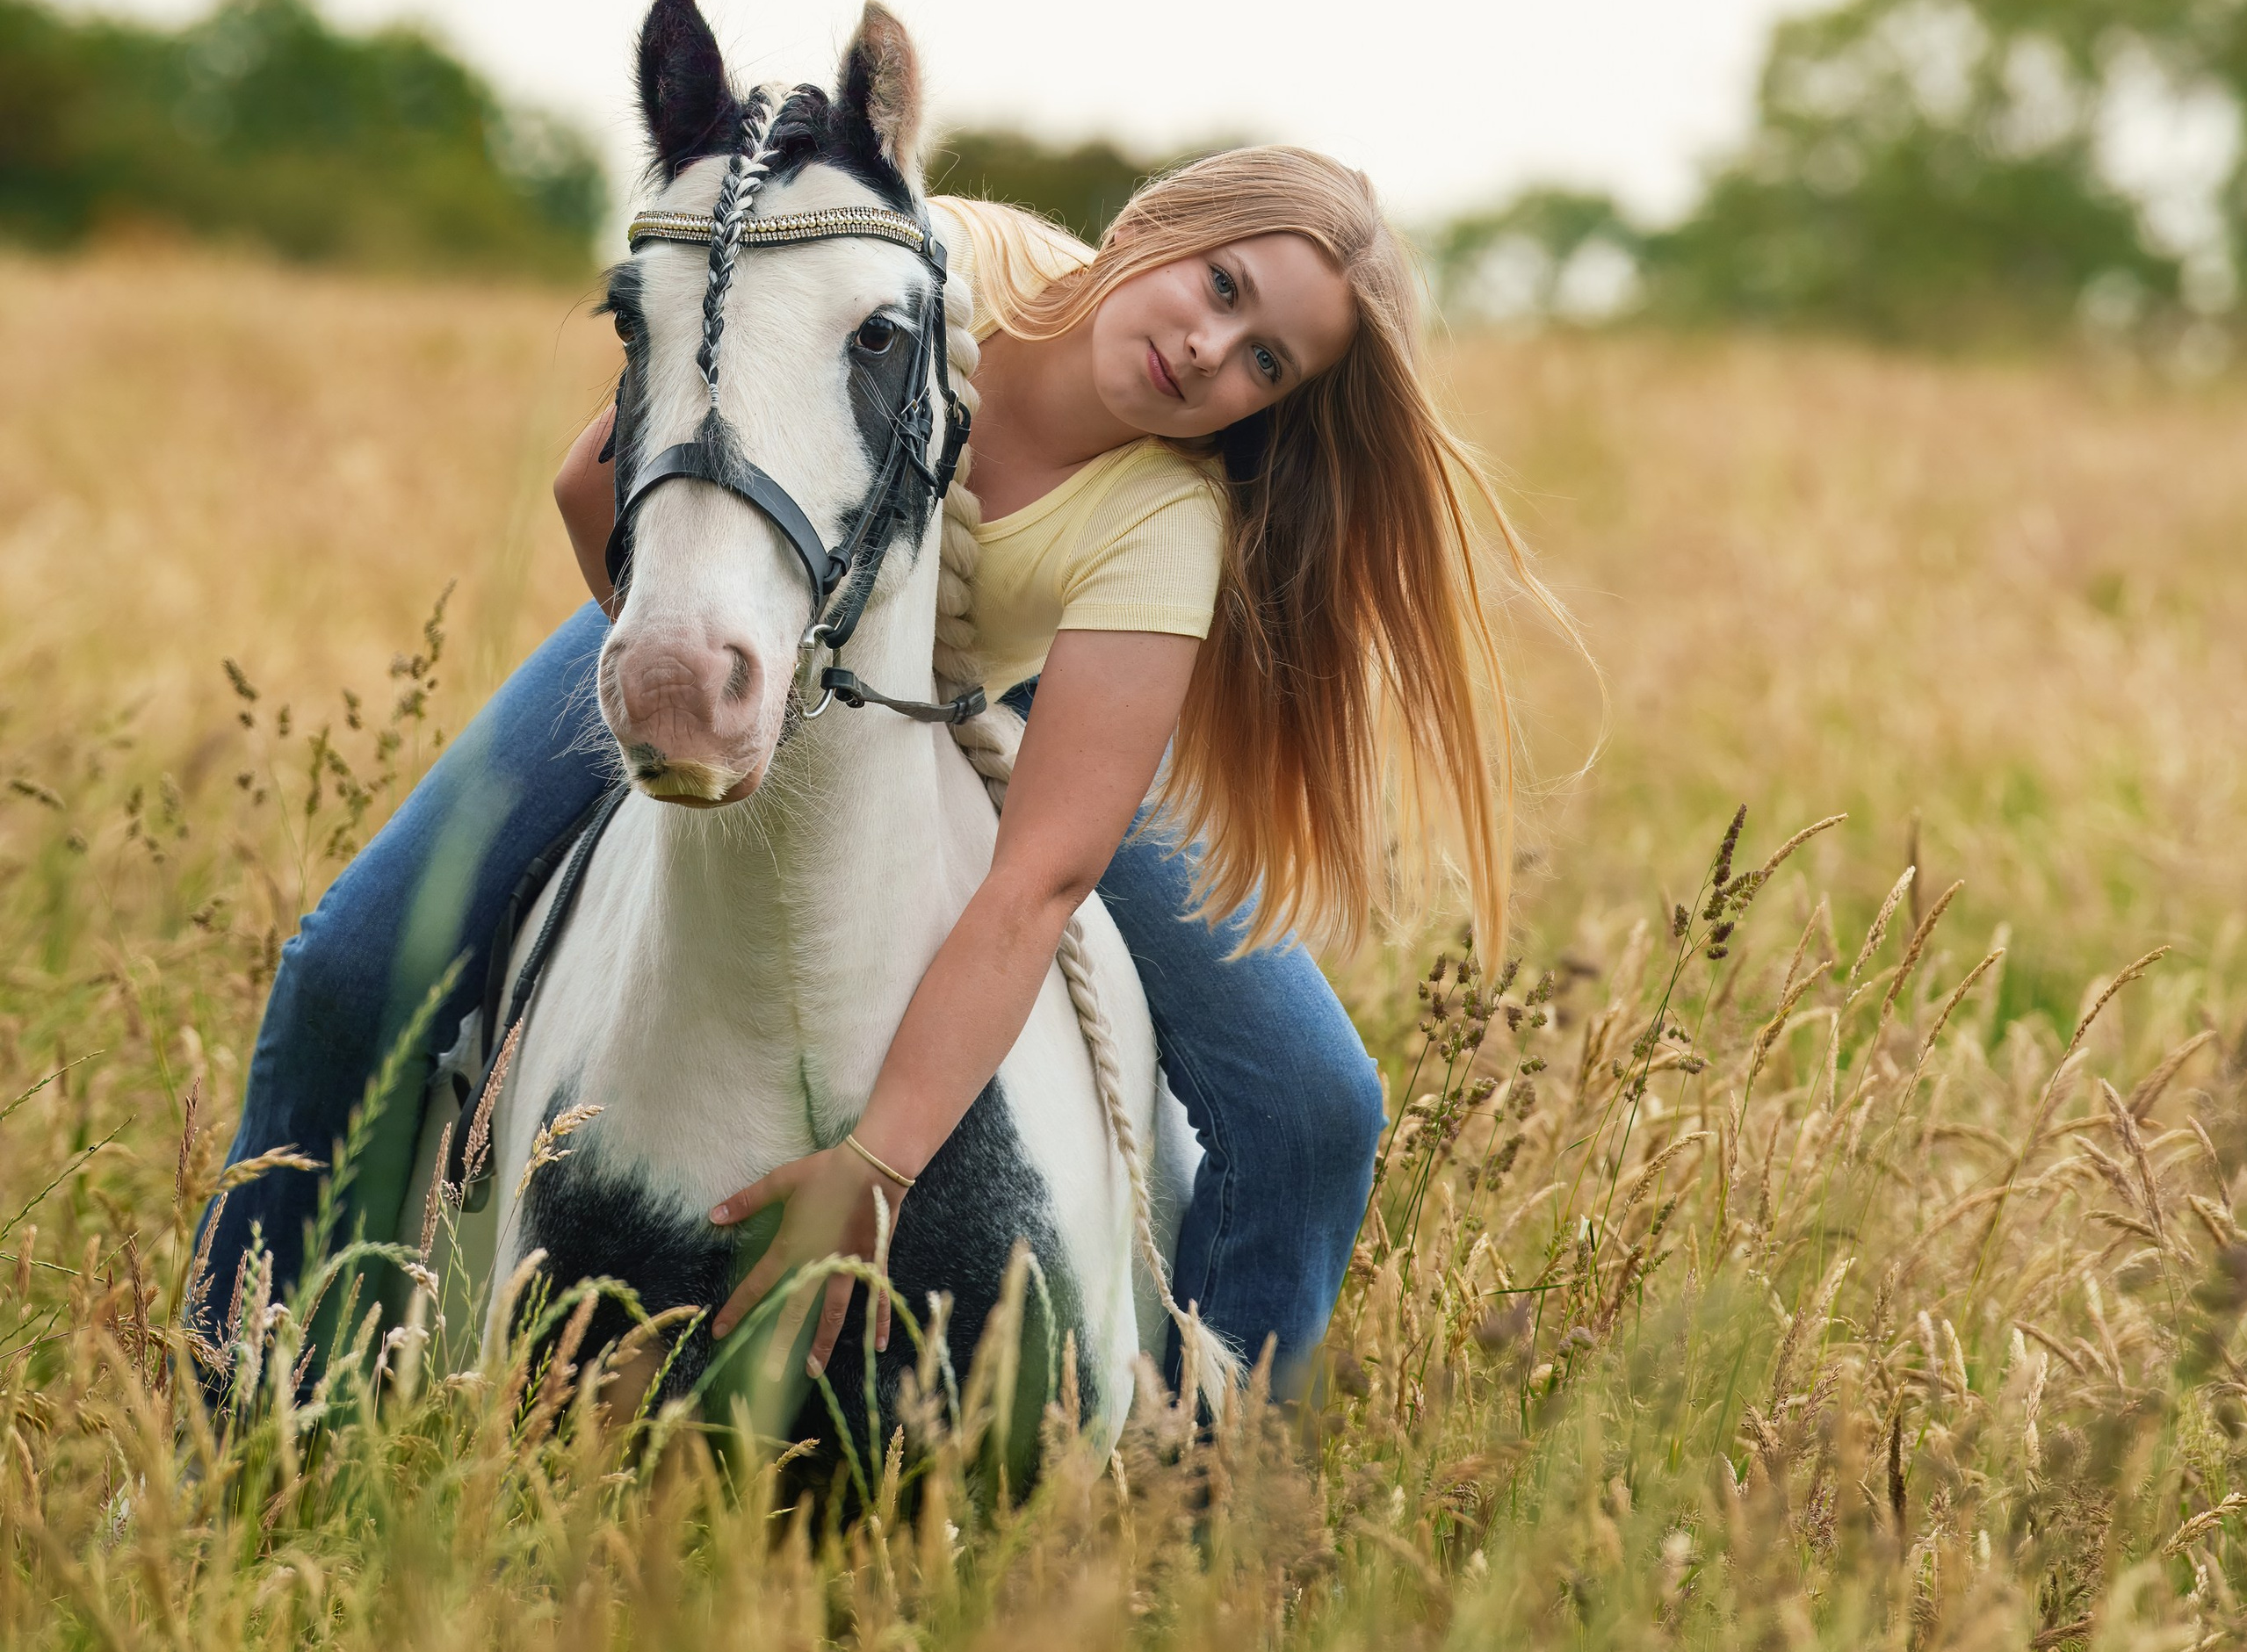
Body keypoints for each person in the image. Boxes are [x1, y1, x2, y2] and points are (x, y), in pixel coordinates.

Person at [199, 144, 1552, 1399]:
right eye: (1221, 286)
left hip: (1017, 701)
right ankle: (235, 1395)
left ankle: (1205, 1488)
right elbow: (586, 490)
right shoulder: (934, 267)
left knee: (1316, 1102)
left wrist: (879, 1157)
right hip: (745, 620)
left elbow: (1040, 884)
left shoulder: (1164, 516)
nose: (1210, 350)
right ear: (1157, 227)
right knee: (355, 965)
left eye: (1266, 362)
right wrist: (713, 685)